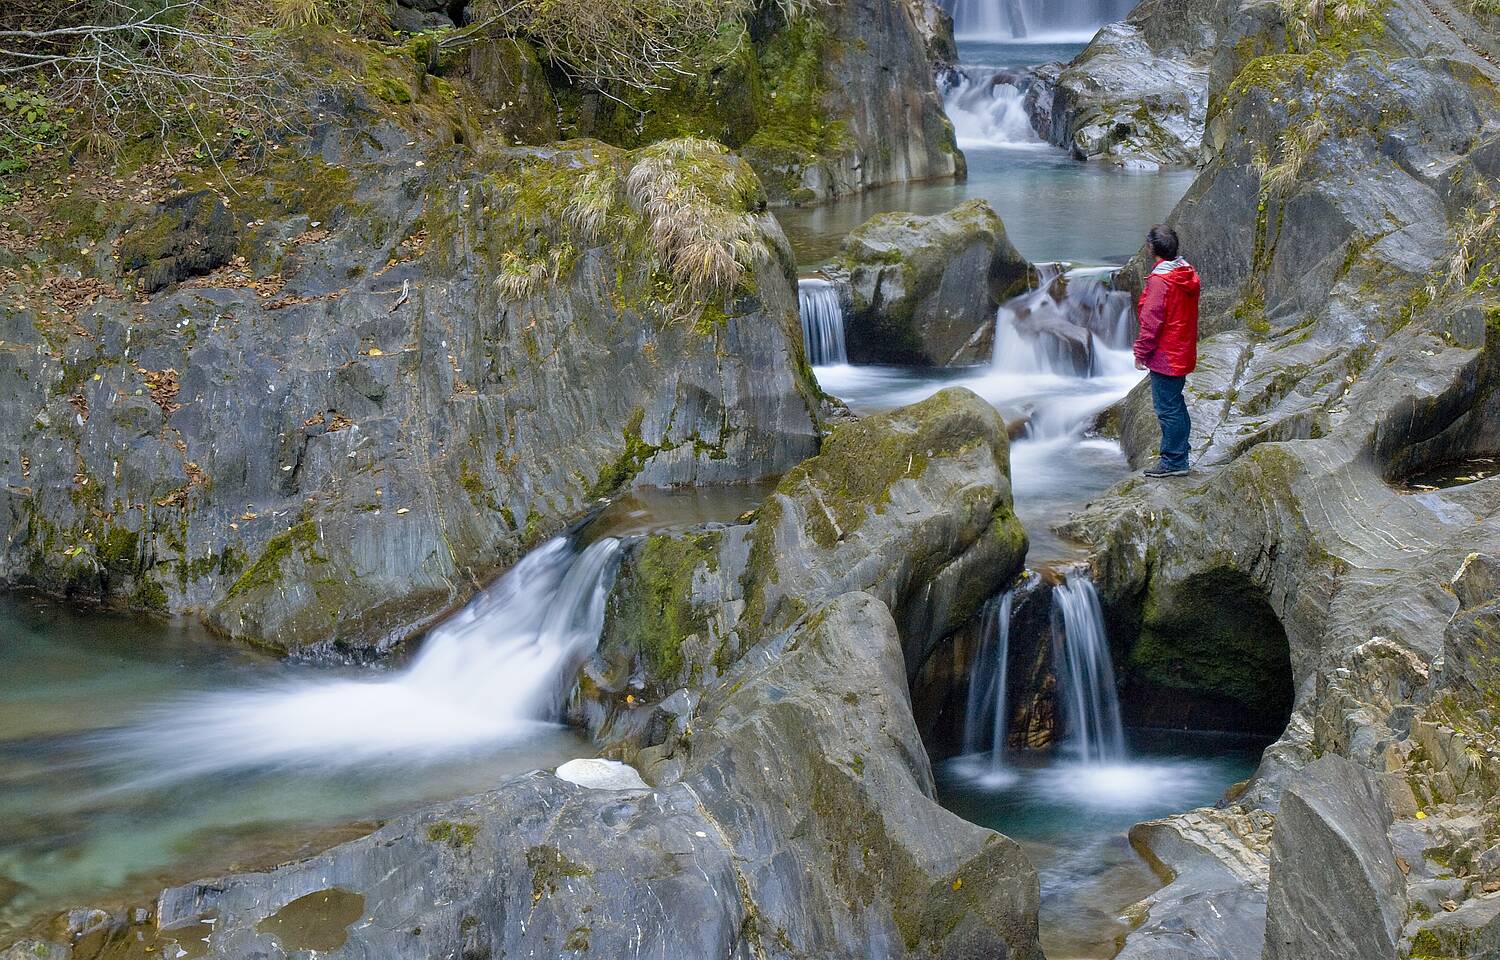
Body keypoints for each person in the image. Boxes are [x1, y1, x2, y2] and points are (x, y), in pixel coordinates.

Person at [1133, 224, 1201, 478]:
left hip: (1166, 355)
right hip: (1182, 349)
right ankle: (1179, 452)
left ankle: (1174, 461)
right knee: (1176, 404)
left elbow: (1151, 322)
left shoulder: (1162, 281)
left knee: (1167, 408)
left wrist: (1141, 353)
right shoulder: (1184, 273)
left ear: (1152, 249)